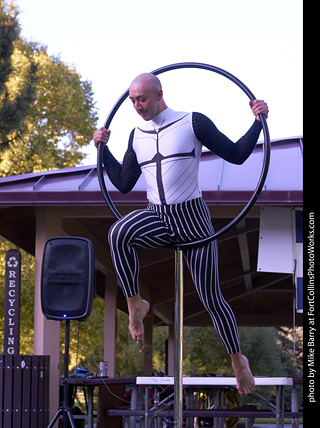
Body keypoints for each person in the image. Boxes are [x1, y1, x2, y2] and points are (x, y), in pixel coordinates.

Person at [93, 73, 269, 395]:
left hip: (193, 221)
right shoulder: (137, 134)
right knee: (119, 232)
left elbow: (238, 154)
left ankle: (237, 361)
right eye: (132, 101)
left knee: (211, 298)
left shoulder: (192, 122)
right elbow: (123, 182)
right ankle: (136, 306)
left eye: (142, 99)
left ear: (160, 94)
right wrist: (103, 150)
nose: (137, 106)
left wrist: (258, 121)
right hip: (157, 216)